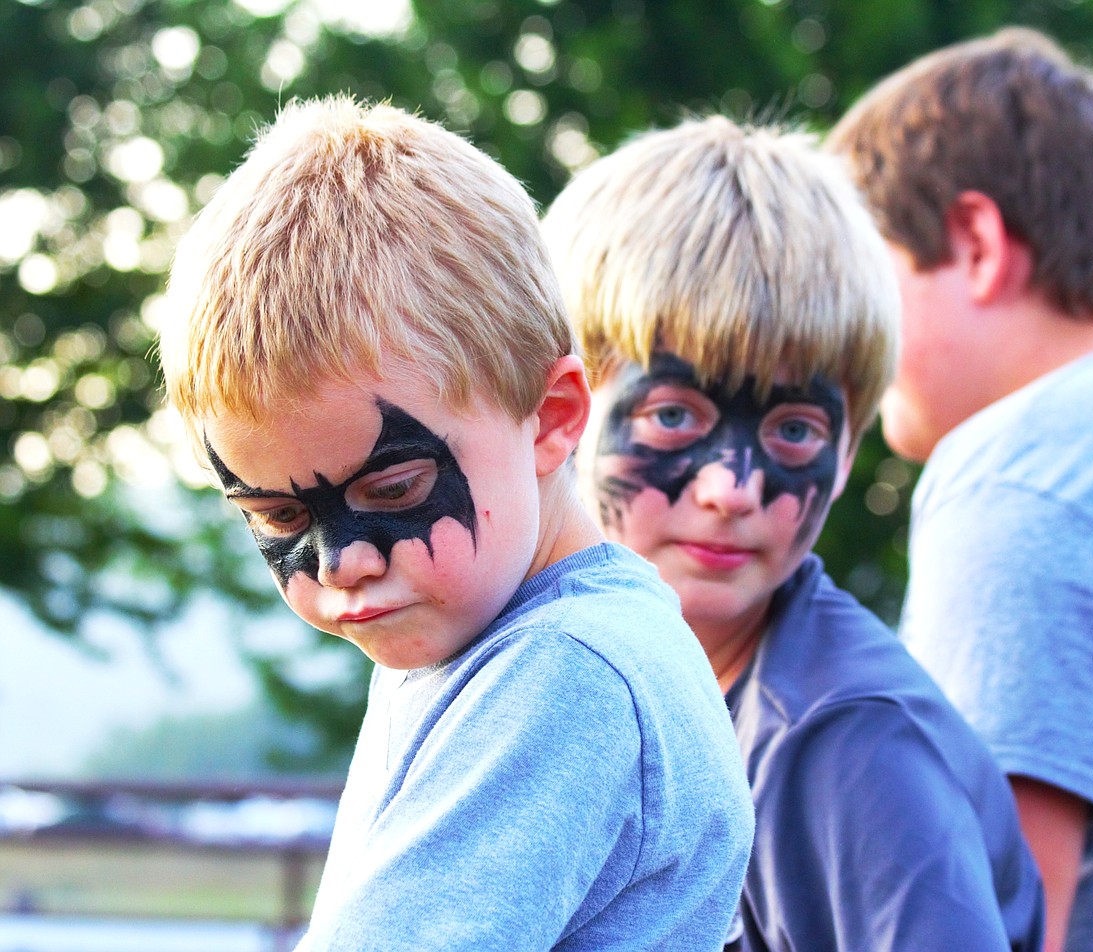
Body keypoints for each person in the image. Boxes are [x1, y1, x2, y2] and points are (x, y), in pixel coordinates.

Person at [158, 96, 755, 951]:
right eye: (280, 513)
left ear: (550, 418)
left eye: (395, 490)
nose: (342, 563)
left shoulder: (566, 674)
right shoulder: (472, 635)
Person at [543, 113, 1044, 952]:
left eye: (795, 432)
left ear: (848, 454)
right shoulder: (597, 683)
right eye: (674, 416)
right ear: (565, 411)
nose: (732, 490)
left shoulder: (850, 745)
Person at [828, 27, 1093, 952]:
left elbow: (976, 923)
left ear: (976, 241)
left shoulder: (1028, 467)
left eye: (864, 276)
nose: (842, 334)